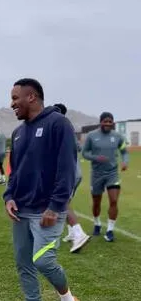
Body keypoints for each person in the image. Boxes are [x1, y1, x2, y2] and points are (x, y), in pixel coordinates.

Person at [4, 78, 81, 301]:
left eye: (15, 98)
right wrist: (9, 197)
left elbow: (67, 169)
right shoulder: (18, 132)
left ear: (32, 97)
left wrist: (56, 206)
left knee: (43, 260)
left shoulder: (58, 123)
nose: (12, 103)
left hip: (47, 211)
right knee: (23, 264)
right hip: (20, 211)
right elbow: (14, 171)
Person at [82, 111, 129, 242]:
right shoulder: (92, 136)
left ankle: (109, 230)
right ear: (101, 122)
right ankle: (97, 223)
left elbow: (124, 152)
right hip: (97, 174)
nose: (108, 124)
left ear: (113, 123)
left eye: (110, 121)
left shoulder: (118, 136)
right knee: (96, 202)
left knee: (114, 200)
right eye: (105, 121)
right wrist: (96, 157)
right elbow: (85, 153)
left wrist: (125, 161)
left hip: (112, 173)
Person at [52, 103, 90, 252]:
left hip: (66, 174)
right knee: (66, 201)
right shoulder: (69, 128)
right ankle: (71, 232)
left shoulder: (56, 127)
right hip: (76, 172)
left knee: (62, 203)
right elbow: (78, 147)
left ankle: (79, 233)